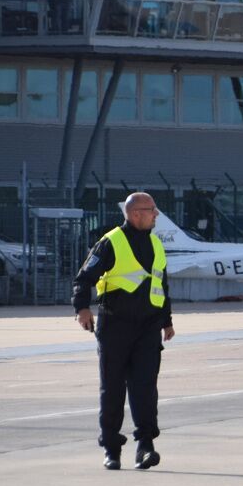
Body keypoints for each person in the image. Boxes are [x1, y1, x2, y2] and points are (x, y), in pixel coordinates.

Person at [73, 192, 175, 470]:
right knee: (113, 388)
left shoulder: (156, 244)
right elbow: (85, 277)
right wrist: (81, 308)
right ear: (135, 214)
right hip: (115, 324)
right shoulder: (111, 242)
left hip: (148, 327)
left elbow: (161, 285)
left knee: (145, 388)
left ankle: (145, 445)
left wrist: (167, 320)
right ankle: (111, 448)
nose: (156, 215)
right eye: (151, 210)